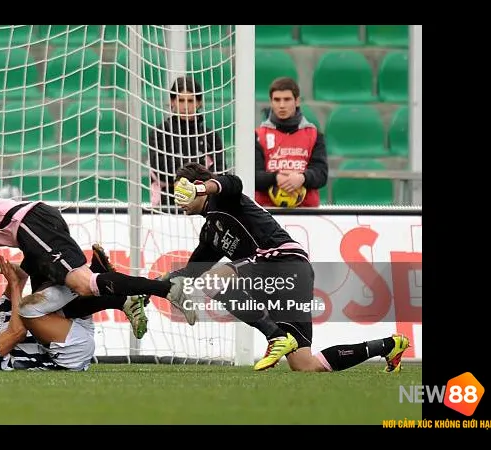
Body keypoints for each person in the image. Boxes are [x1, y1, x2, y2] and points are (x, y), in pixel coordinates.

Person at [166, 162, 409, 373]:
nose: (179, 199)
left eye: (182, 191)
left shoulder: (224, 198)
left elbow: (233, 182)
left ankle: (276, 336)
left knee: (214, 280)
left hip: (283, 260)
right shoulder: (210, 233)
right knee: (304, 364)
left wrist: (201, 187)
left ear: (198, 185)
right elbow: (192, 271)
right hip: (283, 273)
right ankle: (390, 345)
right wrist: (146, 289)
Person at [0, 193, 185, 319]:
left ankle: (164, 288)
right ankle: (121, 298)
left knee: (82, 283)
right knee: (48, 310)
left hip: (28, 222)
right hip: (28, 242)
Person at [0, 252, 134, 371]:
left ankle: (129, 293)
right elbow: (17, 332)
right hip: (66, 358)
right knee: (30, 308)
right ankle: (94, 279)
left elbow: (22, 275)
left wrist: (0, 268)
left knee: (37, 263)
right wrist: (14, 286)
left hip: (74, 329)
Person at [148, 76, 226, 207]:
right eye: (181, 100)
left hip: (204, 205)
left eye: (190, 100)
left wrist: (180, 170)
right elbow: (160, 171)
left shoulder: (210, 136)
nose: (185, 106)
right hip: (167, 206)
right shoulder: (159, 133)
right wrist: (200, 167)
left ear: (199, 102)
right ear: (172, 101)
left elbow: (221, 172)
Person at [254, 77, 328, 207]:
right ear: (271, 102)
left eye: (287, 99)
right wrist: (275, 178)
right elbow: (252, 176)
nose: (282, 105)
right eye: (277, 100)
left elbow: (321, 174)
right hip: (266, 212)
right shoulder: (258, 135)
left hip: (307, 213)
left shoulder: (314, 134)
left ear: (297, 101)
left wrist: (302, 178)